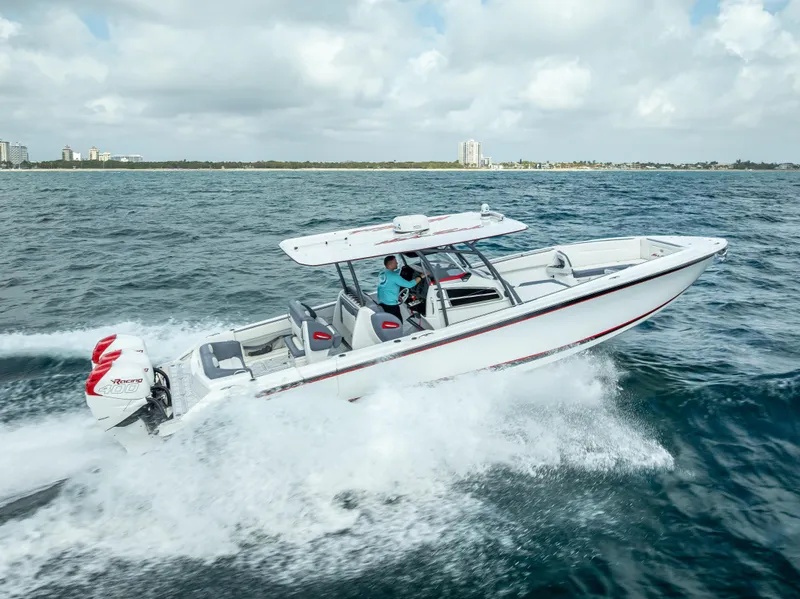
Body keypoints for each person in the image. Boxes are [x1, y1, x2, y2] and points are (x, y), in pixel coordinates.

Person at [377, 255, 424, 321]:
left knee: (390, 321)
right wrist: (421, 276)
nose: (397, 263)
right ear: (390, 264)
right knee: (398, 322)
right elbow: (409, 285)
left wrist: (396, 296)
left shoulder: (382, 273)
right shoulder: (394, 276)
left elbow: (385, 287)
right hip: (391, 305)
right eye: (395, 262)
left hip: (382, 303)